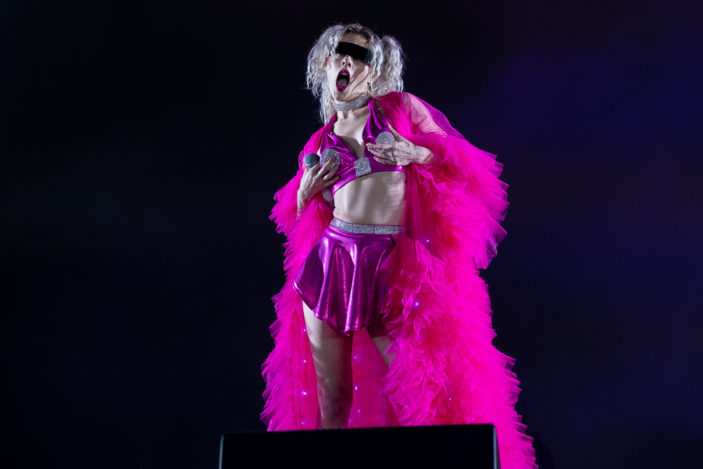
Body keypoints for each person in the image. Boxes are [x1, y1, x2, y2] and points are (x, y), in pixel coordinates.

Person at [262, 23, 537, 469]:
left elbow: (461, 157)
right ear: (326, 64)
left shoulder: (399, 109)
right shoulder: (318, 142)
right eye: (340, 52)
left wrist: (415, 153)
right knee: (332, 398)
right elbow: (295, 217)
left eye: (360, 54)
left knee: (420, 385)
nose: (348, 60)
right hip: (332, 262)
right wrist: (304, 193)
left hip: (390, 262)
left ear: (374, 70)